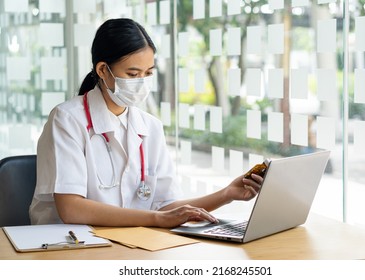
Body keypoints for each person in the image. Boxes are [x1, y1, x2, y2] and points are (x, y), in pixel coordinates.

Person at [29, 18, 262, 228]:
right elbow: (71, 208)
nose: (141, 82)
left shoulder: (149, 126)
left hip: (131, 244)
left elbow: (166, 207)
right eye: (132, 74)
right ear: (103, 70)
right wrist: (156, 219)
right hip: (72, 245)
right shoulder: (68, 119)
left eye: (148, 73)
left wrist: (227, 194)